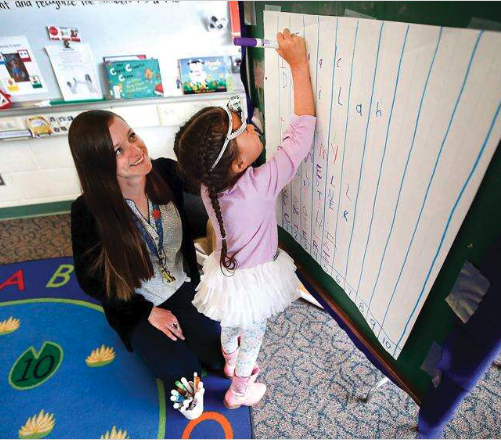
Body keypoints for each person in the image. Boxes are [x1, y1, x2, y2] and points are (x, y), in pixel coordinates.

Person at [173, 29, 315, 409]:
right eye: (244, 127)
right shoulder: (260, 184)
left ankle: (230, 359)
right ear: (237, 163)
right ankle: (239, 390)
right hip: (254, 281)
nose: (253, 125)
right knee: (254, 333)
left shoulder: (209, 184)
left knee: (229, 323)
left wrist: (245, 135)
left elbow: (256, 145)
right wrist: (299, 65)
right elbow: (300, 136)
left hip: (226, 273)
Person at [68, 109, 224, 403]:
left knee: (217, 357)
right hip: (135, 301)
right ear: (98, 164)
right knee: (185, 377)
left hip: (181, 282)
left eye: (131, 136)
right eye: (118, 151)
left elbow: (211, 181)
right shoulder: (87, 212)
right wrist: (146, 312)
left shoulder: (164, 172)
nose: (135, 150)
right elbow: (91, 280)